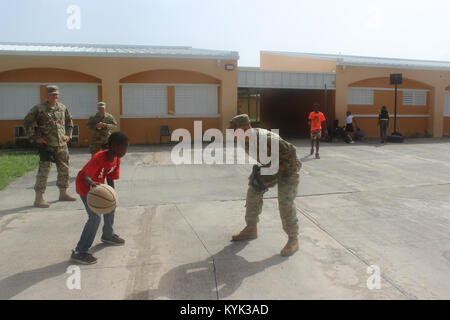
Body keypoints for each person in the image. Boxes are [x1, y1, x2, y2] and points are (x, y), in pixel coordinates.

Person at [229, 114, 302, 256]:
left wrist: (281, 167)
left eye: (234, 131)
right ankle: (251, 228)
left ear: (244, 129)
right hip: (270, 168)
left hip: (288, 169)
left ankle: (293, 239)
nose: (233, 135)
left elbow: (291, 152)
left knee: (285, 202)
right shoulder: (243, 140)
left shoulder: (266, 139)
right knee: (253, 191)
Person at [70, 132, 129, 265]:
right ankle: (80, 251)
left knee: (111, 205)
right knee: (95, 217)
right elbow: (85, 176)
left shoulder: (116, 159)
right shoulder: (99, 157)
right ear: (113, 146)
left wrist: (112, 194)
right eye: (123, 147)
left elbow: (110, 177)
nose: (125, 150)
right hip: (86, 188)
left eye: (126, 147)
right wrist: (92, 184)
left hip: (99, 189)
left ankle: (108, 234)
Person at [23, 85, 76, 208]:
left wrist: (68, 135)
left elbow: (69, 122)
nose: (55, 96)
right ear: (47, 95)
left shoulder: (62, 107)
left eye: (56, 94)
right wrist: (35, 138)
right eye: (52, 94)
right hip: (47, 145)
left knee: (64, 169)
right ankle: (39, 198)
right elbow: (27, 122)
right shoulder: (39, 108)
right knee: (44, 171)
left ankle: (63, 193)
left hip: (62, 145)